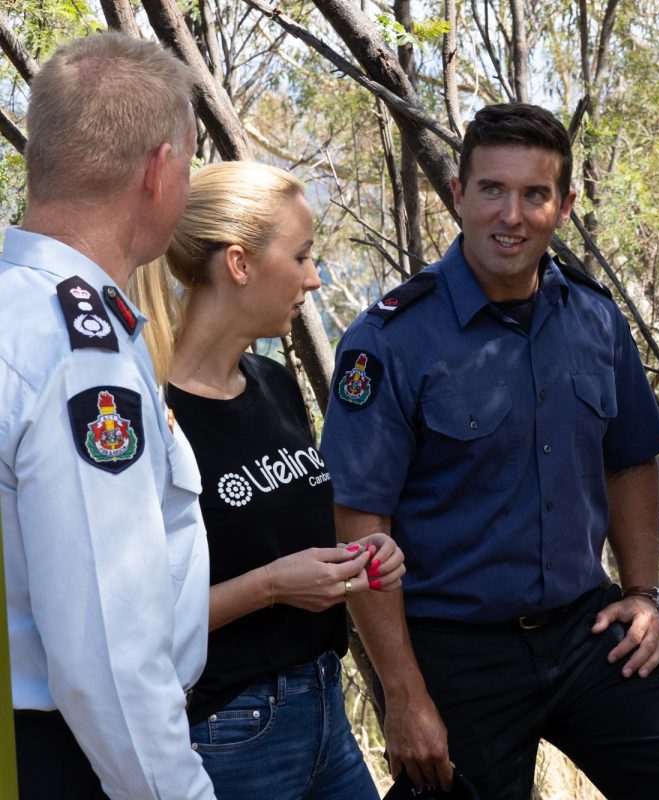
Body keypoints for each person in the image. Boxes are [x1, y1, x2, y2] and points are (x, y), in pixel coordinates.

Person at [321, 103, 659, 799]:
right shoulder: (390, 341)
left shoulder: (592, 317)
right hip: (454, 651)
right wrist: (403, 692)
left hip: (585, 629)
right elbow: (359, 526)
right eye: (492, 189)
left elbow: (630, 459)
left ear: (563, 206)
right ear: (458, 195)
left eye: (535, 194)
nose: (511, 214)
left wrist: (644, 595)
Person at [133, 160, 405, 798]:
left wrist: (363, 559)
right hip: (228, 731)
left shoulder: (275, 382)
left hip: (324, 708)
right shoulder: (153, 416)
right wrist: (272, 587)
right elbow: (135, 623)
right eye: (303, 256)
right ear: (239, 264)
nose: (314, 279)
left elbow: (294, 540)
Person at [0, 32, 215, 799]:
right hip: (66, 756)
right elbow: (109, 659)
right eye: (189, 165)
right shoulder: (76, 352)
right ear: (159, 170)